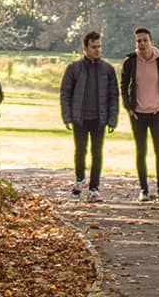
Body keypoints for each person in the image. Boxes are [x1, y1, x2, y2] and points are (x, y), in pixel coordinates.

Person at [60, 31, 119, 203]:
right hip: (80, 118)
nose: (97, 50)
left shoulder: (107, 69)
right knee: (80, 151)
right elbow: (65, 93)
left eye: (99, 46)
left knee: (97, 153)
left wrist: (112, 119)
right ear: (85, 48)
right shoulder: (74, 68)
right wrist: (67, 117)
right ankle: (79, 180)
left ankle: (94, 188)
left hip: (99, 118)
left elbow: (114, 95)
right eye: (94, 47)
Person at [120, 28, 159, 201]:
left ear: (151, 41)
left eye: (145, 40)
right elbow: (123, 85)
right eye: (138, 41)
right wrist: (128, 107)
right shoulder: (130, 61)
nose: (142, 44)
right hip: (138, 114)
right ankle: (144, 189)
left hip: (156, 113)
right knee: (141, 151)